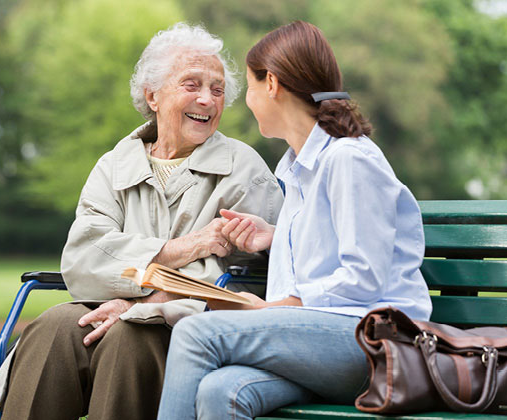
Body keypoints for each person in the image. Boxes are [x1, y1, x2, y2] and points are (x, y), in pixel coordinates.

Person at [1, 23, 283, 420]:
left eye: (217, 89)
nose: (206, 99)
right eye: (191, 84)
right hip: (107, 308)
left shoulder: (244, 170)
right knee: (54, 327)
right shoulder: (114, 166)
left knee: (129, 338)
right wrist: (186, 247)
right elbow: (83, 256)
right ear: (153, 94)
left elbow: (244, 277)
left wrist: (139, 304)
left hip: (189, 329)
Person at [156, 21, 433, 420]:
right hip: (322, 345)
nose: (245, 102)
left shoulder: (349, 159)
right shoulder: (297, 168)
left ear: (272, 83)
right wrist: (274, 236)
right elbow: (332, 247)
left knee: (196, 333)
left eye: (249, 88)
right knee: (221, 391)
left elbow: (365, 277)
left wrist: (276, 307)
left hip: (375, 344)